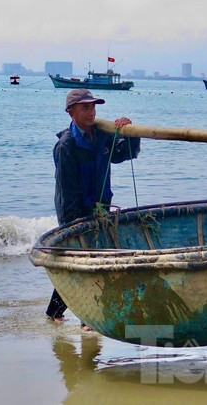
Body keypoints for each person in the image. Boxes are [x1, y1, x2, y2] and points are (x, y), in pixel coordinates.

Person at [46, 88, 141, 325]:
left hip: (101, 209)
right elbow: (67, 191)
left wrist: (129, 132)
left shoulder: (101, 136)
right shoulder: (66, 146)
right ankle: (77, 318)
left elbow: (125, 154)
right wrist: (75, 224)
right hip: (75, 214)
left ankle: (64, 315)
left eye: (94, 107)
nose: (91, 113)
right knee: (84, 263)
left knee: (91, 261)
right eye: (85, 108)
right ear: (72, 113)